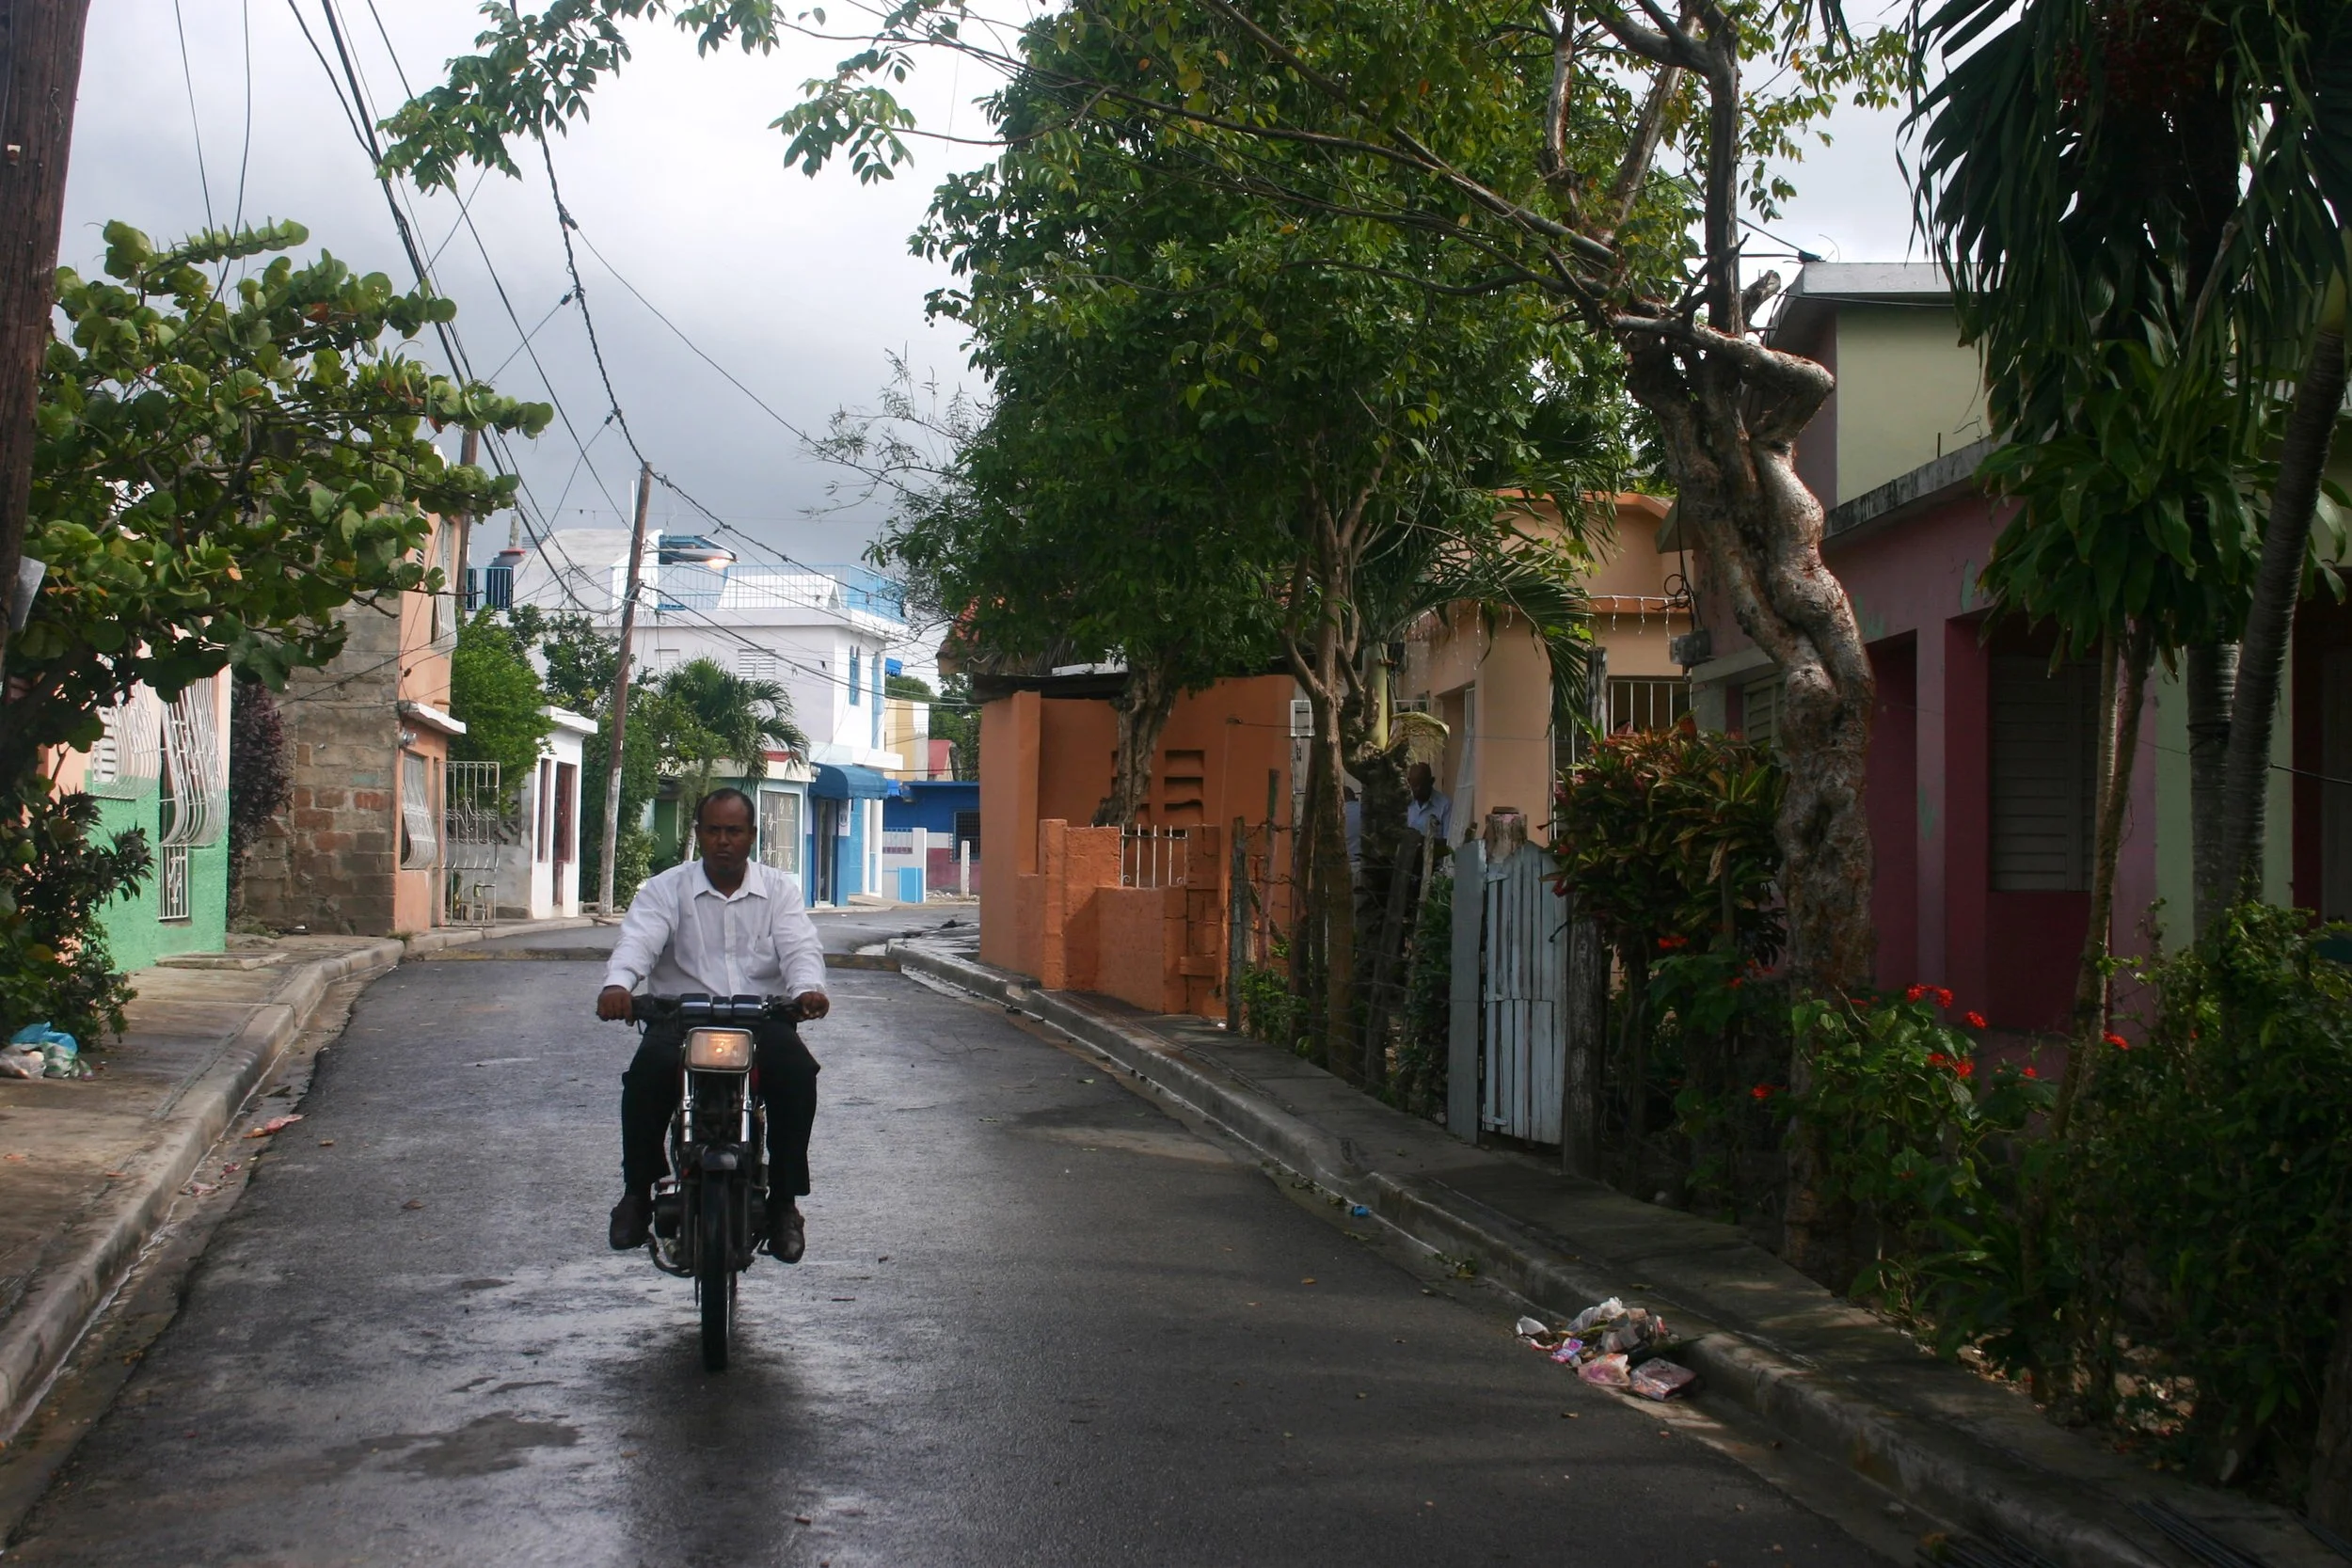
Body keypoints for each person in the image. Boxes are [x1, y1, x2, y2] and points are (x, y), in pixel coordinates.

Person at [597, 787, 830, 1262]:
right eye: (714, 830)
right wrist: (618, 985)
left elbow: (800, 947)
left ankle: (785, 1204)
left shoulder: (779, 890)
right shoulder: (666, 889)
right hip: (679, 1018)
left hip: (760, 1018)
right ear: (699, 834)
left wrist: (807, 990)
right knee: (644, 1080)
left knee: (798, 1076)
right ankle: (637, 1193)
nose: (723, 841)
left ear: (751, 837)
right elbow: (638, 941)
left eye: (734, 831)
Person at [1405, 761, 1453, 844]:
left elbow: (1449, 842)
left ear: (1431, 781)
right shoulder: (1404, 804)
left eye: (1422, 786)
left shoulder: (1445, 805)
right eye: (1415, 786)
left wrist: (1426, 842)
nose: (1418, 790)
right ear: (1409, 782)